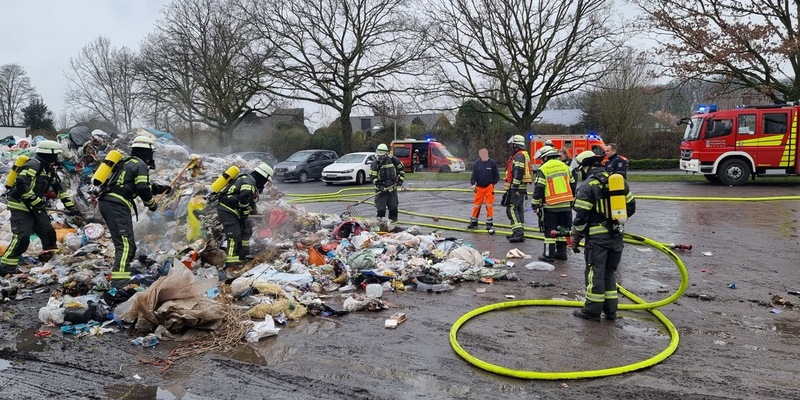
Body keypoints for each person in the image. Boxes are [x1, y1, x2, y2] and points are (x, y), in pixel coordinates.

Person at [571, 150, 636, 321]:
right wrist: (614, 222)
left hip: (597, 240)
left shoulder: (588, 186)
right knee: (609, 273)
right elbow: (631, 208)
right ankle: (610, 310)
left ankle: (592, 310)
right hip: (616, 237)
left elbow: (581, 216)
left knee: (595, 273)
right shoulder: (619, 182)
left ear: (586, 167)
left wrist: (576, 236)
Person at [1, 140, 82, 275]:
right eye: (55, 155)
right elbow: (22, 184)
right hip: (21, 205)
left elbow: (59, 190)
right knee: (22, 237)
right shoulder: (33, 165)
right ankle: (6, 268)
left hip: (35, 206)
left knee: (48, 233)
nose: (57, 158)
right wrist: (36, 201)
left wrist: (71, 207)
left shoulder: (48, 169)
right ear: (48, 154)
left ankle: (51, 263)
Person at [98, 135, 172, 280]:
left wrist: (160, 188)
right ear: (148, 152)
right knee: (126, 245)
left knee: (125, 243)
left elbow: (136, 185)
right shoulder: (141, 164)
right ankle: (120, 281)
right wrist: (152, 204)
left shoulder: (126, 162)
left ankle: (123, 275)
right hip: (117, 204)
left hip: (107, 202)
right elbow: (143, 188)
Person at [216, 163, 274, 272]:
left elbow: (250, 202)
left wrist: (256, 214)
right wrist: (247, 212)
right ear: (262, 177)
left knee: (247, 231)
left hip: (235, 210)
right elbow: (243, 200)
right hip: (227, 209)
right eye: (266, 181)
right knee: (234, 236)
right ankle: (231, 265)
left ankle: (243, 256)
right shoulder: (249, 182)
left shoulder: (249, 180)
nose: (265, 184)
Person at [531, 146, 575, 262]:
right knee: (563, 229)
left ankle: (548, 255)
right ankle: (561, 253)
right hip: (566, 205)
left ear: (545, 157)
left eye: (541, 158)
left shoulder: (544, 169)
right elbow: (573, 184)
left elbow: (539, 188)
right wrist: (571, 200)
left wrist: (535, 205)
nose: (541, 160)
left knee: (549, 231)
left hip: (551, 205)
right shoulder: (566, 167)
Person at [502, 134, 532, 243]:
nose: (511, 147)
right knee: (518, 209)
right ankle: (518, 232)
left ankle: (518, 233)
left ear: (516, 145)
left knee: (511, 209)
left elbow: (518, 172)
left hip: (516, 187)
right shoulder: (523, 154)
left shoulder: (519, 156)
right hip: (520, 187)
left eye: (512, 145)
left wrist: (514, 187)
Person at [467, 148, 500, 234]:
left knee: (489, 205)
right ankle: (474, 222)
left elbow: (497, 176)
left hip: (489, 187)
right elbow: (473, 175)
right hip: (479, 187)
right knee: (476, 205)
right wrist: (473, 184)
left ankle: (489, 223)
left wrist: (492, 184)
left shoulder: (492, 163)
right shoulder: (477, 163)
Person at [370, 143, 405, 221]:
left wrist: (400, 180)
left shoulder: (394, 160)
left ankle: (392, 227)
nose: (380, 158)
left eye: (382, 156)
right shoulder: (375, 164)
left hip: (392, 189)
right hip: (381, 191)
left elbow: (401, 170)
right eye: (379, 156)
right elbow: (373, 177)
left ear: (387, 153)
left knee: (393, 208)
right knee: (381, 210)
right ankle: (380, 228)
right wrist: (379, 186)